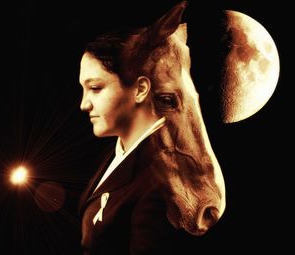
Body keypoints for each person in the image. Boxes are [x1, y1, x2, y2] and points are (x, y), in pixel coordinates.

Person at [78, 1, 225, 254]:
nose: (83, 104)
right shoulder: (116, 155)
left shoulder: (157, 188)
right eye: (85, 88)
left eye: (95, 88)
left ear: (141, 89)